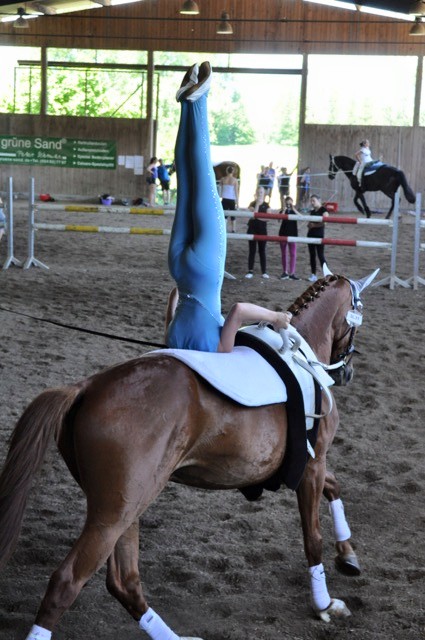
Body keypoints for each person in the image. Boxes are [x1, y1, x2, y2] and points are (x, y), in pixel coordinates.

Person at [165, 62, 291, 356]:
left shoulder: (218, 351)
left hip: (204, 271)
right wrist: (183, 296)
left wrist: (275, 317)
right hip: (179, 271)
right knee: (186, 179)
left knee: (204, 175)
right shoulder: (174, 343)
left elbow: (237, 312)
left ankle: (199, 101)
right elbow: (171, 304)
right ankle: (185, 102)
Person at [245, 186, 270, 279]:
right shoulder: (252, 204)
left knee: (262, 250)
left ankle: (264, 271)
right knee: (252, 250)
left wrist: (258, 217)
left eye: (261, 192)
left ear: (264, 194)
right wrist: (257, 205)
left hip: (262, 230)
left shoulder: (267, 205)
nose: (260, 194)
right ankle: (250, 271)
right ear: (256, 193)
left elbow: (268, 218)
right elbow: (252, 215)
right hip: (252, 229)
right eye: (258, 192)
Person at [307, 194, 329, 282]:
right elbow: (310, 223)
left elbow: (326, 222)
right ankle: (313, 274)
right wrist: (309, 225)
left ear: (319, 200)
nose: (312, 203)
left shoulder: (324, 210)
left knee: (320, 255)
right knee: (312, 255)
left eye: (314, 201)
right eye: (311, 201)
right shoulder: (312, 211)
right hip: (310, 234)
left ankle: (327, 275)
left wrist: (314, 225)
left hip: (319, 235)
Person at [279, 196, 301, 281]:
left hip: (293, 234)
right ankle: (285, 272)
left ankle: (292, 273)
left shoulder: (294, 211)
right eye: (287, 203)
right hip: (283, 234)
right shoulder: (283, 211)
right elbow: (279, 218)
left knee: (293, 254)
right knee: (284, 253)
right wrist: (284, 210)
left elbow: (301, 217)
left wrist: (293, 208)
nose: (288, 205)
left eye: (290, 203)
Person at [219, 165, 239, 233]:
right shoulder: (235, 180)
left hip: (224, 198)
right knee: (233, 215)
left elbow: (220, 188)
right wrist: (237, 202)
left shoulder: (223, 179)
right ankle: (233, 229)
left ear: (227, 171)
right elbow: (236, 191)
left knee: (224, 215)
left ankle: (224, 228)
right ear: (232, 171)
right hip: (231, 199)